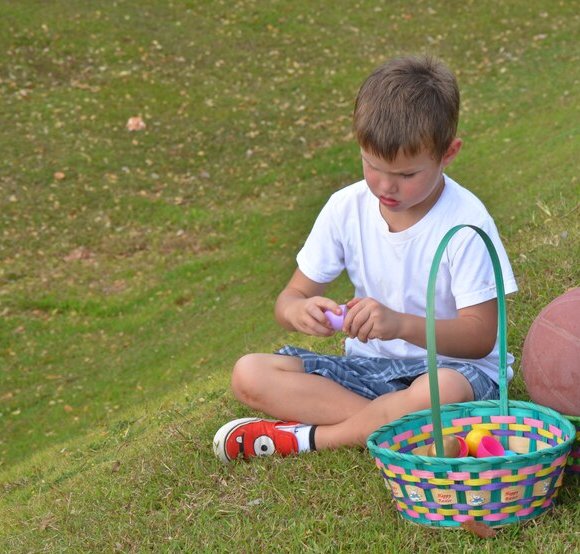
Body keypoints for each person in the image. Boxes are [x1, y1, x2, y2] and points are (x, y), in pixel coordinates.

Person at [213, 55, 518, 462]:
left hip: (454, 373)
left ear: (448, 154)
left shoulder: (466, 222)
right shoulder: (346, 208)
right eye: (372, 166)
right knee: (249, 373)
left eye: (406, 175)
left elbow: (479, 338)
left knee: (439, 391)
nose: (385, 186)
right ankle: (399, 427)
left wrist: (399, 324)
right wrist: (300, 310)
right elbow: (289, 298)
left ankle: (310, 439)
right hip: (371, 372)